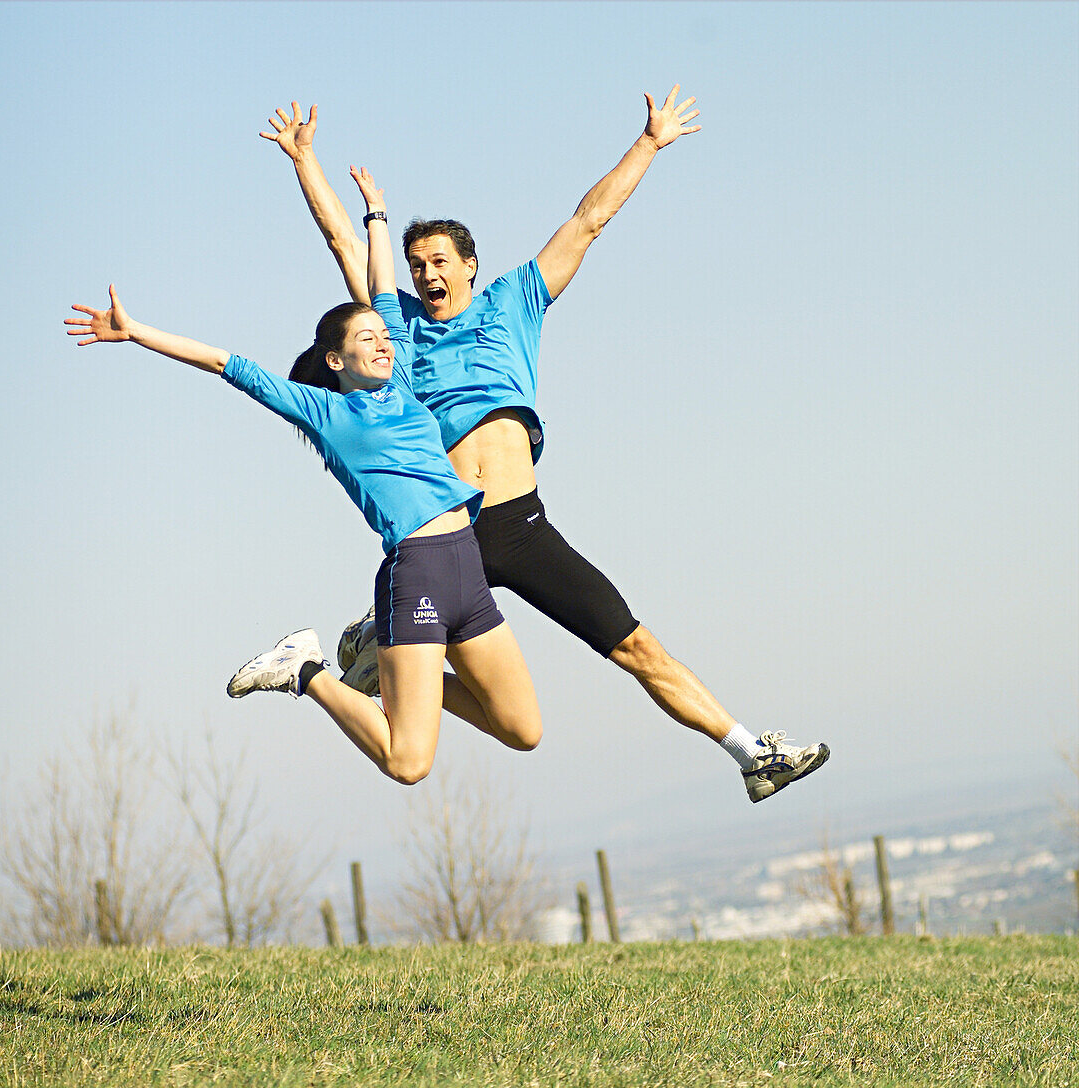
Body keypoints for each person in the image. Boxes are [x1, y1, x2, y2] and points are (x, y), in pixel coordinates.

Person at [262, 89, 828, 804]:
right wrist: (304, 160)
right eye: (415, 265)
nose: (427, 275)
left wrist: (648, 144)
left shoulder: (514, 302)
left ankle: (752, 753)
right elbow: (345, 241)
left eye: (439, 260)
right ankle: (375, 652)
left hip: (522, 527)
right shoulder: (395, 330)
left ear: (470, 264)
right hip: (449, 537)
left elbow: (589, 221)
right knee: (443, 742)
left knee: (633, 647)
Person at [63, 166, 541, 786]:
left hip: (465, 564)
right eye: (367, 337)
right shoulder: (328, 412)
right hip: (417, 569)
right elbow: (224, 363)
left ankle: (381, 664)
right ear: (337, 359)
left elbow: (378, 281)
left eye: (385, 335)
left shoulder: (401, 383)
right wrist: (135, 332)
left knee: (522, 730)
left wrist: (376, 216)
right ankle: (306, 670)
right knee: (408, 761)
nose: (385, 341)